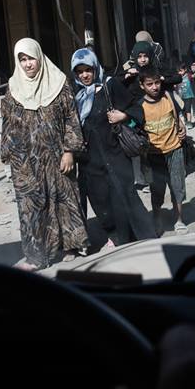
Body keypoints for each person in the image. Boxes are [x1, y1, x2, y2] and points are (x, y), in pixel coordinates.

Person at [0, 38, 89, 270]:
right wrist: (7, 157)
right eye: (22, 59)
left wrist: (69, 150)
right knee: (31, 206)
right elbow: (8, 125)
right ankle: (36, 257)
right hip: (26, 161)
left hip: (58, 155)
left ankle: (69, 246)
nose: (28, 64)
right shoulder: (12, 89)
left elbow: (72, 118)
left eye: (31, 58)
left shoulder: (59, 84)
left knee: (64, 200)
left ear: (39, 57)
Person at [71, 48, 156, 249]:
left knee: (125, 196)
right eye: (80, 71)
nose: (85, 75)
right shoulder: (75, 95)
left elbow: (137, 109)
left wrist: (123, 116)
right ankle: (117, 237)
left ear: (95, 68)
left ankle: (145, 239)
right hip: (90, 161)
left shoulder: (110, 86)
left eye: (88, 69)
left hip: (115, 155)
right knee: (101, 201)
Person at [128, 67, 189, 235]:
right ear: (142, 86)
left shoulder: (168, 97)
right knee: (157, 189)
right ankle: (157, 217)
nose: (154, 87)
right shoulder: (140, 106)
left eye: (157, 83)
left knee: (178, 186)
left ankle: (179, 219)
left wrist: (182, 127)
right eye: (150, 84)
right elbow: (133, 125)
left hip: (174, 149)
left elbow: (177, 115)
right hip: (153, 155)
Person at [178, 60, 195, 127]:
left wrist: (194, 70)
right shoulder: (178, 78)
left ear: (185, 70)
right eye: (178, 71)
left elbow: (193, 75)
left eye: (181, 71)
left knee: (188, 109)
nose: (179, 73)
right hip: (181, 96)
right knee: (183, 110)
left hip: (188, 95)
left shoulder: (188, 76)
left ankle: (189, 122)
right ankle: (185, 119)